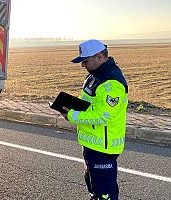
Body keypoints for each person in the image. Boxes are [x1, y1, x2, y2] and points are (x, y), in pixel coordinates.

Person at [62, 39, 128, 200]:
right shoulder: (94, 76)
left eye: (85, 61)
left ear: (99, 57)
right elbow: (88, 103)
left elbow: (103, 116)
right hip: (92, 144)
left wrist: (71, 115)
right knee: (94, 186)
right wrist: (69, 104)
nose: (82, 65)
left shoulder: (111, 83)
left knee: (105, 193)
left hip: (103, 148)